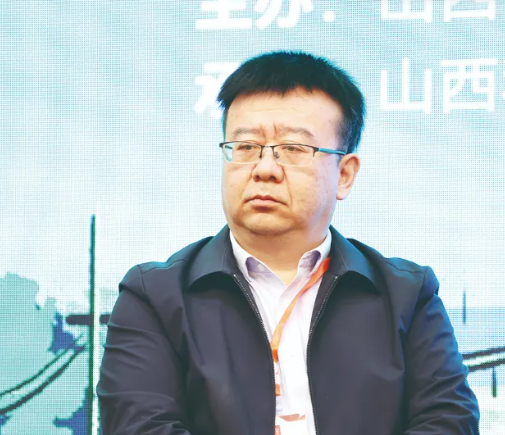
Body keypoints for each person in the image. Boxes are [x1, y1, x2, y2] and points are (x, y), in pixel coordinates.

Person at [97, 50, 479, 435]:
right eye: (245, 147)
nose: (264, 168)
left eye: (293, 149)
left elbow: (449, 422)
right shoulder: (155, 296)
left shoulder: (406, 295)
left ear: (345, 174)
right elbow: (138, 427)